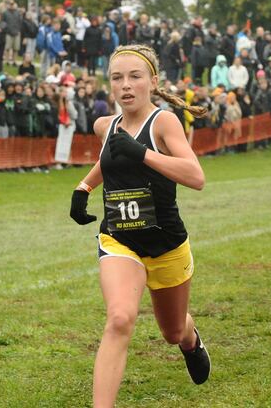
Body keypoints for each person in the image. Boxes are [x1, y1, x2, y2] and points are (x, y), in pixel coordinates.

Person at [68, 44, 211, 407]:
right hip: (119, 240)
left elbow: (196, 176)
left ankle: (191, 339)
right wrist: (84, 187)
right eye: (117, 78)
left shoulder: (163, 122)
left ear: (153, 81)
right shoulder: (107, 125)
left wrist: (143, 153)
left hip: (166, 245)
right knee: (119, 318)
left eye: (135, 77)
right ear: (110, 85)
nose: (126, 85)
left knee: (172, 331)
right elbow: (109, 157)